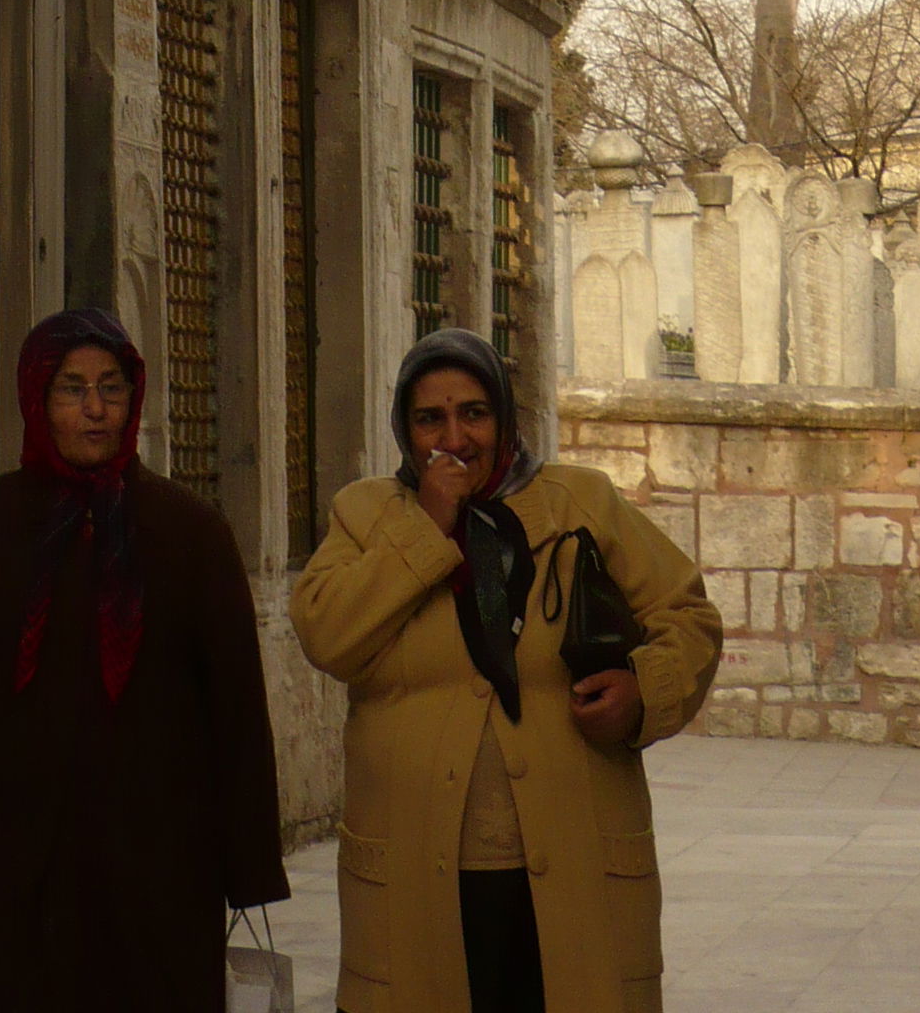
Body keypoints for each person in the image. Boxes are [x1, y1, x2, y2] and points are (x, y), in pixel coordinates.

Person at [291, 327, 722, 1013]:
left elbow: (688, 617)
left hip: (569, 865)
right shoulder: (368, 515)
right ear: (405, 425)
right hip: (418, 872)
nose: (454, 438)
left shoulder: (581, 504)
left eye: (474, 413)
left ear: (504, 418)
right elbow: (327, 634)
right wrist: (429, 524)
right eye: (430, 418)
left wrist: (643, 692)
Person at [0, 305, 290, 1013]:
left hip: (149, 874)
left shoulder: (189, 535)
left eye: (112, 388)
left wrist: (244, 866)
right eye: (72, 388)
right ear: (37, 398)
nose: (95, 409)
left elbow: (235, 712)